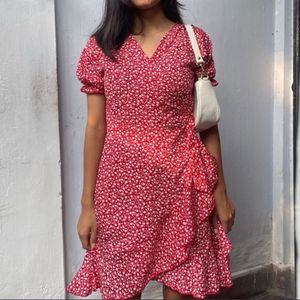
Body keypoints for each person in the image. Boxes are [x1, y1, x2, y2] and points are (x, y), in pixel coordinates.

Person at [66, 0, 236, 299]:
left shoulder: (194, 41)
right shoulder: (102, 47)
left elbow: (207, 122)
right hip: (121, 194)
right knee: (121, 290)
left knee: (183, 286)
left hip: (184, 189)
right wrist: (87, 205)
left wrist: (220, 192)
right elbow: (95, 127)